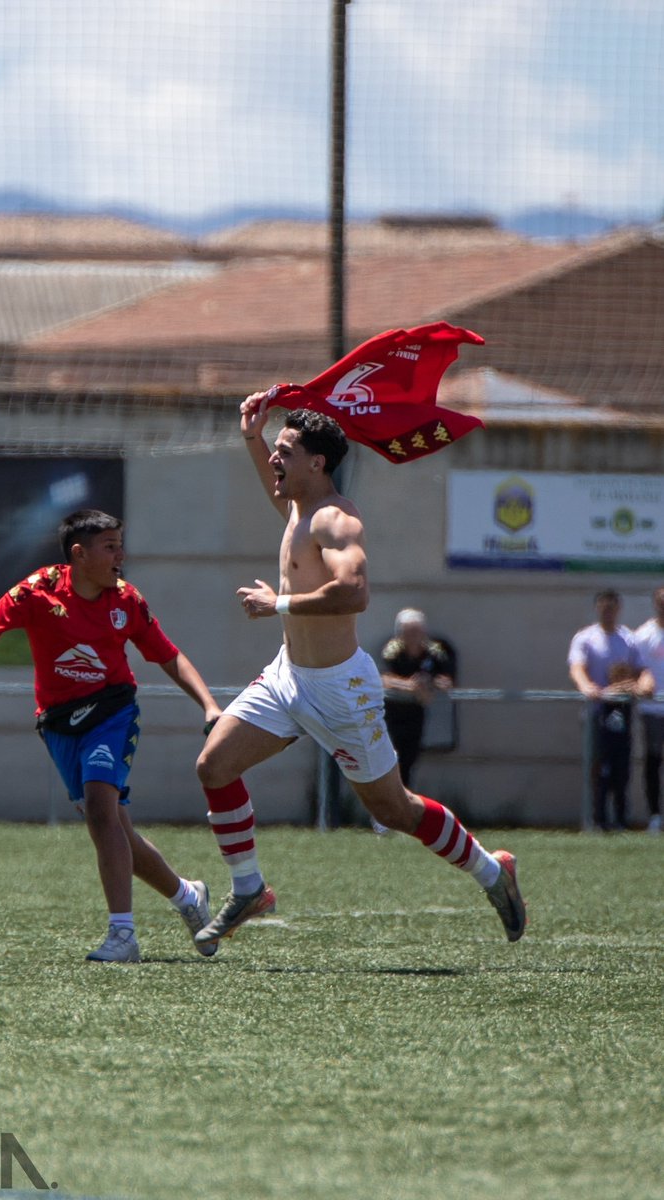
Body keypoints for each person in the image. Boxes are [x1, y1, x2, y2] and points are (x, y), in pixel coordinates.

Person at [194, 394, 526, 952]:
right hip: (287, 677)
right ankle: (249, 888)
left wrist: (278, 604)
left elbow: (354, 592)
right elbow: (274, 484)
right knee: (214, 765)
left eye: (285, 451)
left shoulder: (335, 517)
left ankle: (493, 871)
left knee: (393, 809)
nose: (275, 459)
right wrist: (253, 435)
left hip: (341, 690)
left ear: (317, 462)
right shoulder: (298, 506)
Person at [0, 509, 223, 963]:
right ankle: (188, 896)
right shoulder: (38, 590)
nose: (121, 555)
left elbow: (169, 656)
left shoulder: (127, 601)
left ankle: (123, 936)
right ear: (79, 554)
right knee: (116, 832)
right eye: (110, 547)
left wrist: (210, 705)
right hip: (58, 723)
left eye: (121, 545)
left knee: (100, 810)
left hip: (112, 713)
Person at [568, 589, 653, 831]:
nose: (608, 612)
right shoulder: (585, 638)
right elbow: (577, 667)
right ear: (597, 608)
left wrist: (644, 684)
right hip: (596, 712)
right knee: (599, 767)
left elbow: (642, 670)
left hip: (621, 712)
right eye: (604, 607)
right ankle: (597, 820)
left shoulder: (627, 638)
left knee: (621, 766)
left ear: (618, 609)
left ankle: (620, 820)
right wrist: (586, 686)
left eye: (612, 608)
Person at [380, 608, 455, 788]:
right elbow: (384, 679)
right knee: (392, 757)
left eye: (417, 631)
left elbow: (446, 680)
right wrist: (409, 686)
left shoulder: (434, 652)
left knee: (410, 757)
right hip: (393, 713)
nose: (413, 636)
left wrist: (431, 683)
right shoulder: (393, 651)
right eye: (408, 631)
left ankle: (404, 797)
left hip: (416, 712)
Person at [633, 586, 664, 834]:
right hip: (652, 710)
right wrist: (642, 681)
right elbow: (636, 669)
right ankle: (655, 816)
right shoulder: (643, 635)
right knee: (653, 761)